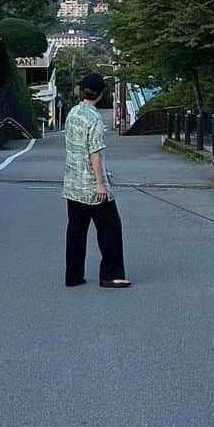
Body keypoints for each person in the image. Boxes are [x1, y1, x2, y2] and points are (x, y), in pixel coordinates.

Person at [63, 72, 131, 288]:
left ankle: (73, 276)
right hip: (92, 186)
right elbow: (94, 152)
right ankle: (111, 274)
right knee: (110, 228)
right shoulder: (94, 118)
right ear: (101, 94)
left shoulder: (73, 113)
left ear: (82, 91)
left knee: (76, 229)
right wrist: (101, 182)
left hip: (72, 183)